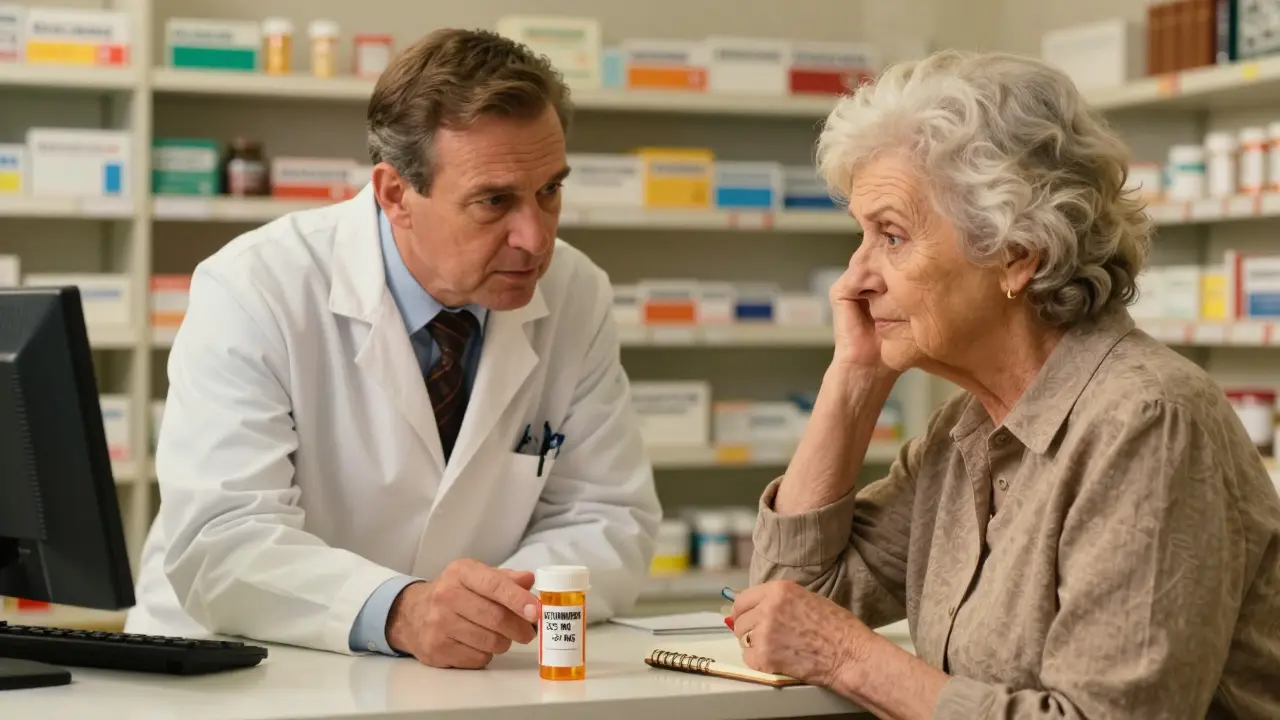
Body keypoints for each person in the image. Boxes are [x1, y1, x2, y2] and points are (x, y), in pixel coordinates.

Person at [727, 49, 1280, 719]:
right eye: (861, 236)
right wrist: (854, 378)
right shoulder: (965, 433)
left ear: (1016, 255)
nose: (854, 278)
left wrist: (850, 656)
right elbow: (785, 612)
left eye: (891, 236)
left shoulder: (1148, 423)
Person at [125, 28, 662, 669]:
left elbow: (608, 516)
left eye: (549, 190)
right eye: (494, 201)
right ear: (396, 194)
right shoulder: (253, 288)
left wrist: (494, 608)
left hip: (464, 675)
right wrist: (401, 610)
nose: (535, 237)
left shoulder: (576, 292)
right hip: (240, 670)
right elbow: (222, 540)